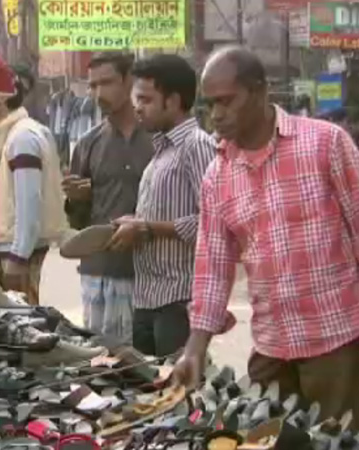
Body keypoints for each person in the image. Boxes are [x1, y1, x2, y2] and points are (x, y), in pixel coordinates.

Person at [173, 46, 359, 431]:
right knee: (264, 437)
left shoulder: (326, 143)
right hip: (270, 345)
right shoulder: (217, 176)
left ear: (260, 91)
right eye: (210, 104)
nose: (216, 114)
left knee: (332, 441)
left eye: (226, 101)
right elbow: (212, 269)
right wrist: (194, 349)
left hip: (333, 341)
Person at [107, 55, 216, 356]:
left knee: (178, 383)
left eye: (146, 100)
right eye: (136, 99)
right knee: (148, 383)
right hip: (147, 297)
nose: (137, 107)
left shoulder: (197, 145)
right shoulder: (161, 151)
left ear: (173, 101)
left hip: (179, 300)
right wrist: (134, 222)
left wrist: (147, 228)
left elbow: (214, 223)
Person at [63, 52, 154, 343]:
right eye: (92, 86)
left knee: (149, 362)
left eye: (106, 83)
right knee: (102, 362)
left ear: (129, 81)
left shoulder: (158, 138)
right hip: (98, 275)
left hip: (150, 275)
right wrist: (77, 199)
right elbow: (79, 224)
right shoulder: (87, 144)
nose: (98, 93)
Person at [0, 78, 68, 305]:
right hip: (11, 249)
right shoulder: (15, 134)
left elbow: (30, 201)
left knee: (22, 317)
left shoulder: (22, 138)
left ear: (0, 98)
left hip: (16, 254)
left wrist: (18, 256)